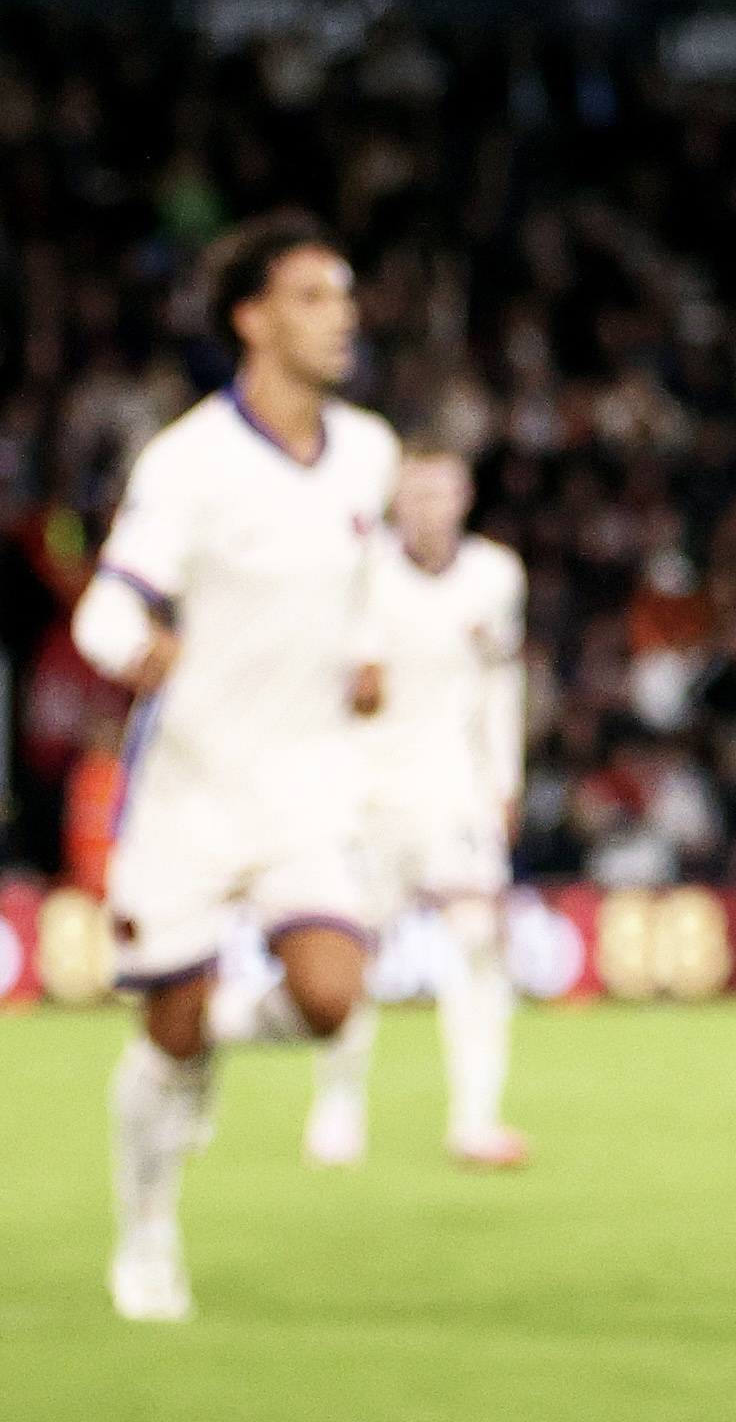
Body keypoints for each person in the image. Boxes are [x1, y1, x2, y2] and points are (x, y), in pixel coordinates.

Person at [69, 212, 400, 1321]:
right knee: (164, 1031)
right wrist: (134, 647)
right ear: (252, 318)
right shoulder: (190, 460)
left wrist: (366, 658)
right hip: (190, 788)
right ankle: (147, 1238)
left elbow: (364, 588)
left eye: (344, 294)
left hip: (306, 784)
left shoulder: (370, 450)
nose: (340, 314)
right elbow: (111, 602)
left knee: (329, 994)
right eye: (314, 296)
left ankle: (206, 1031)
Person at [300, 444, 529, 1169]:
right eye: (416, 495)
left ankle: (475, 1120)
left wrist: (506, 780)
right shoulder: (362, 574)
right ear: (397, 502)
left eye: (442, 494)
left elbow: (501, 683)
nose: (429, 509)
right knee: (350, 955)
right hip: (367, 793)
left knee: (477, 942)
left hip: (454, 791)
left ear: (464, 498)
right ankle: (337, 1111)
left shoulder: (496, 576)